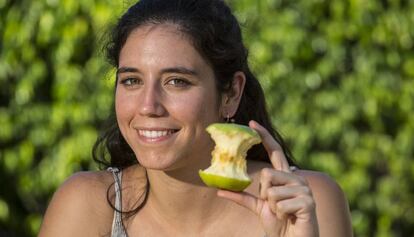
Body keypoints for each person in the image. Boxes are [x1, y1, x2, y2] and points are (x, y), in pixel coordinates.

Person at [39, 0, 352, 236]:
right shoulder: (87, 207)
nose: (148, 106)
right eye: (132, 80)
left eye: (177, 81)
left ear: (230, 93)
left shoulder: (307, 204)